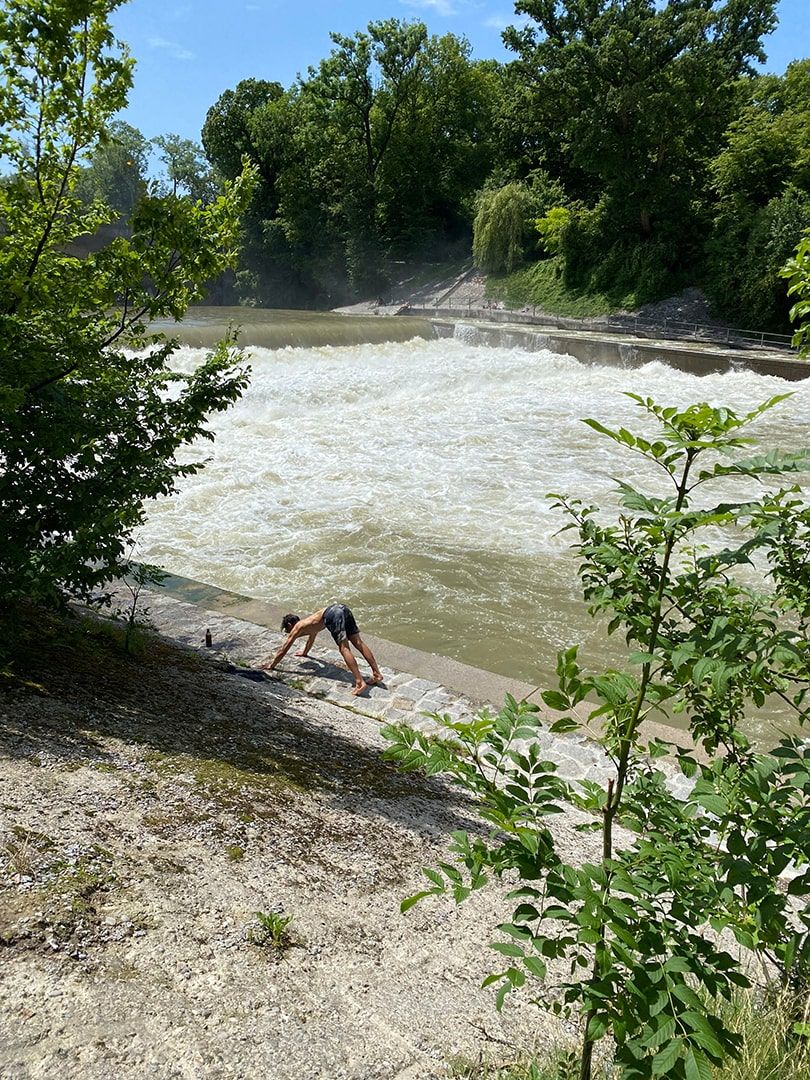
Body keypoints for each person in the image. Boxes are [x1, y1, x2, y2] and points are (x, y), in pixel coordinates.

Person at [262, 604, 383, 696]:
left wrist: (272, 665)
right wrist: (305, 653)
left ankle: (360, 682)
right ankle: (377, 674)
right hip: (342, 608)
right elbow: (311, 639)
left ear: (289, 625)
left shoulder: (297, 627)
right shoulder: (309, 623)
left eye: (287, 630)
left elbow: (284, 649)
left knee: (344, 648)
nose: (289, 633)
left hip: (333, 614)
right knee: (358, 642)